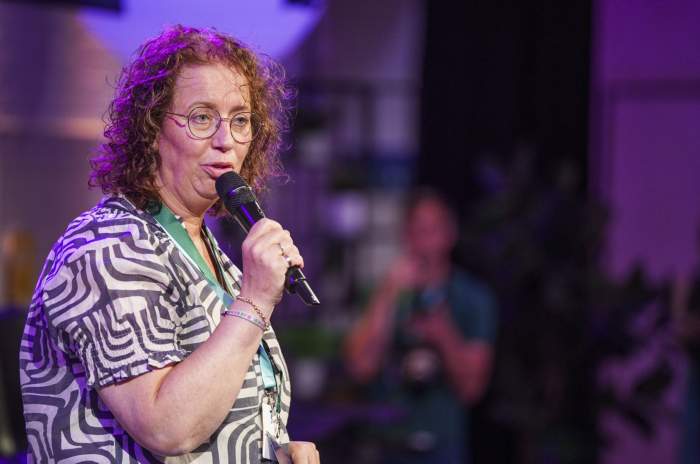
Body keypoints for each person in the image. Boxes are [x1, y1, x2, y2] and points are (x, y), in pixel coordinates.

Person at [19, 25, 319, 464]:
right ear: (152, 130)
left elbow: (221, 406)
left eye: (240, 120)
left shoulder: (206, 252)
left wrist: (270, 451)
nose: (225, 140)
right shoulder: (107, 250)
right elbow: (167, 426)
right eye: (202, 118)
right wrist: (255, 299)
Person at [344, 189, 497, 464]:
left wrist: (444, 334)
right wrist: (388, 296)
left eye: (431, 231)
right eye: (415, 231)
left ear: (450, 234)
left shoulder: (473, 298)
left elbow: (472, 389)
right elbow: (359, 367)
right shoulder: (385, 292)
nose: (423, 242)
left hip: (442, 448)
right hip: (385, 446)